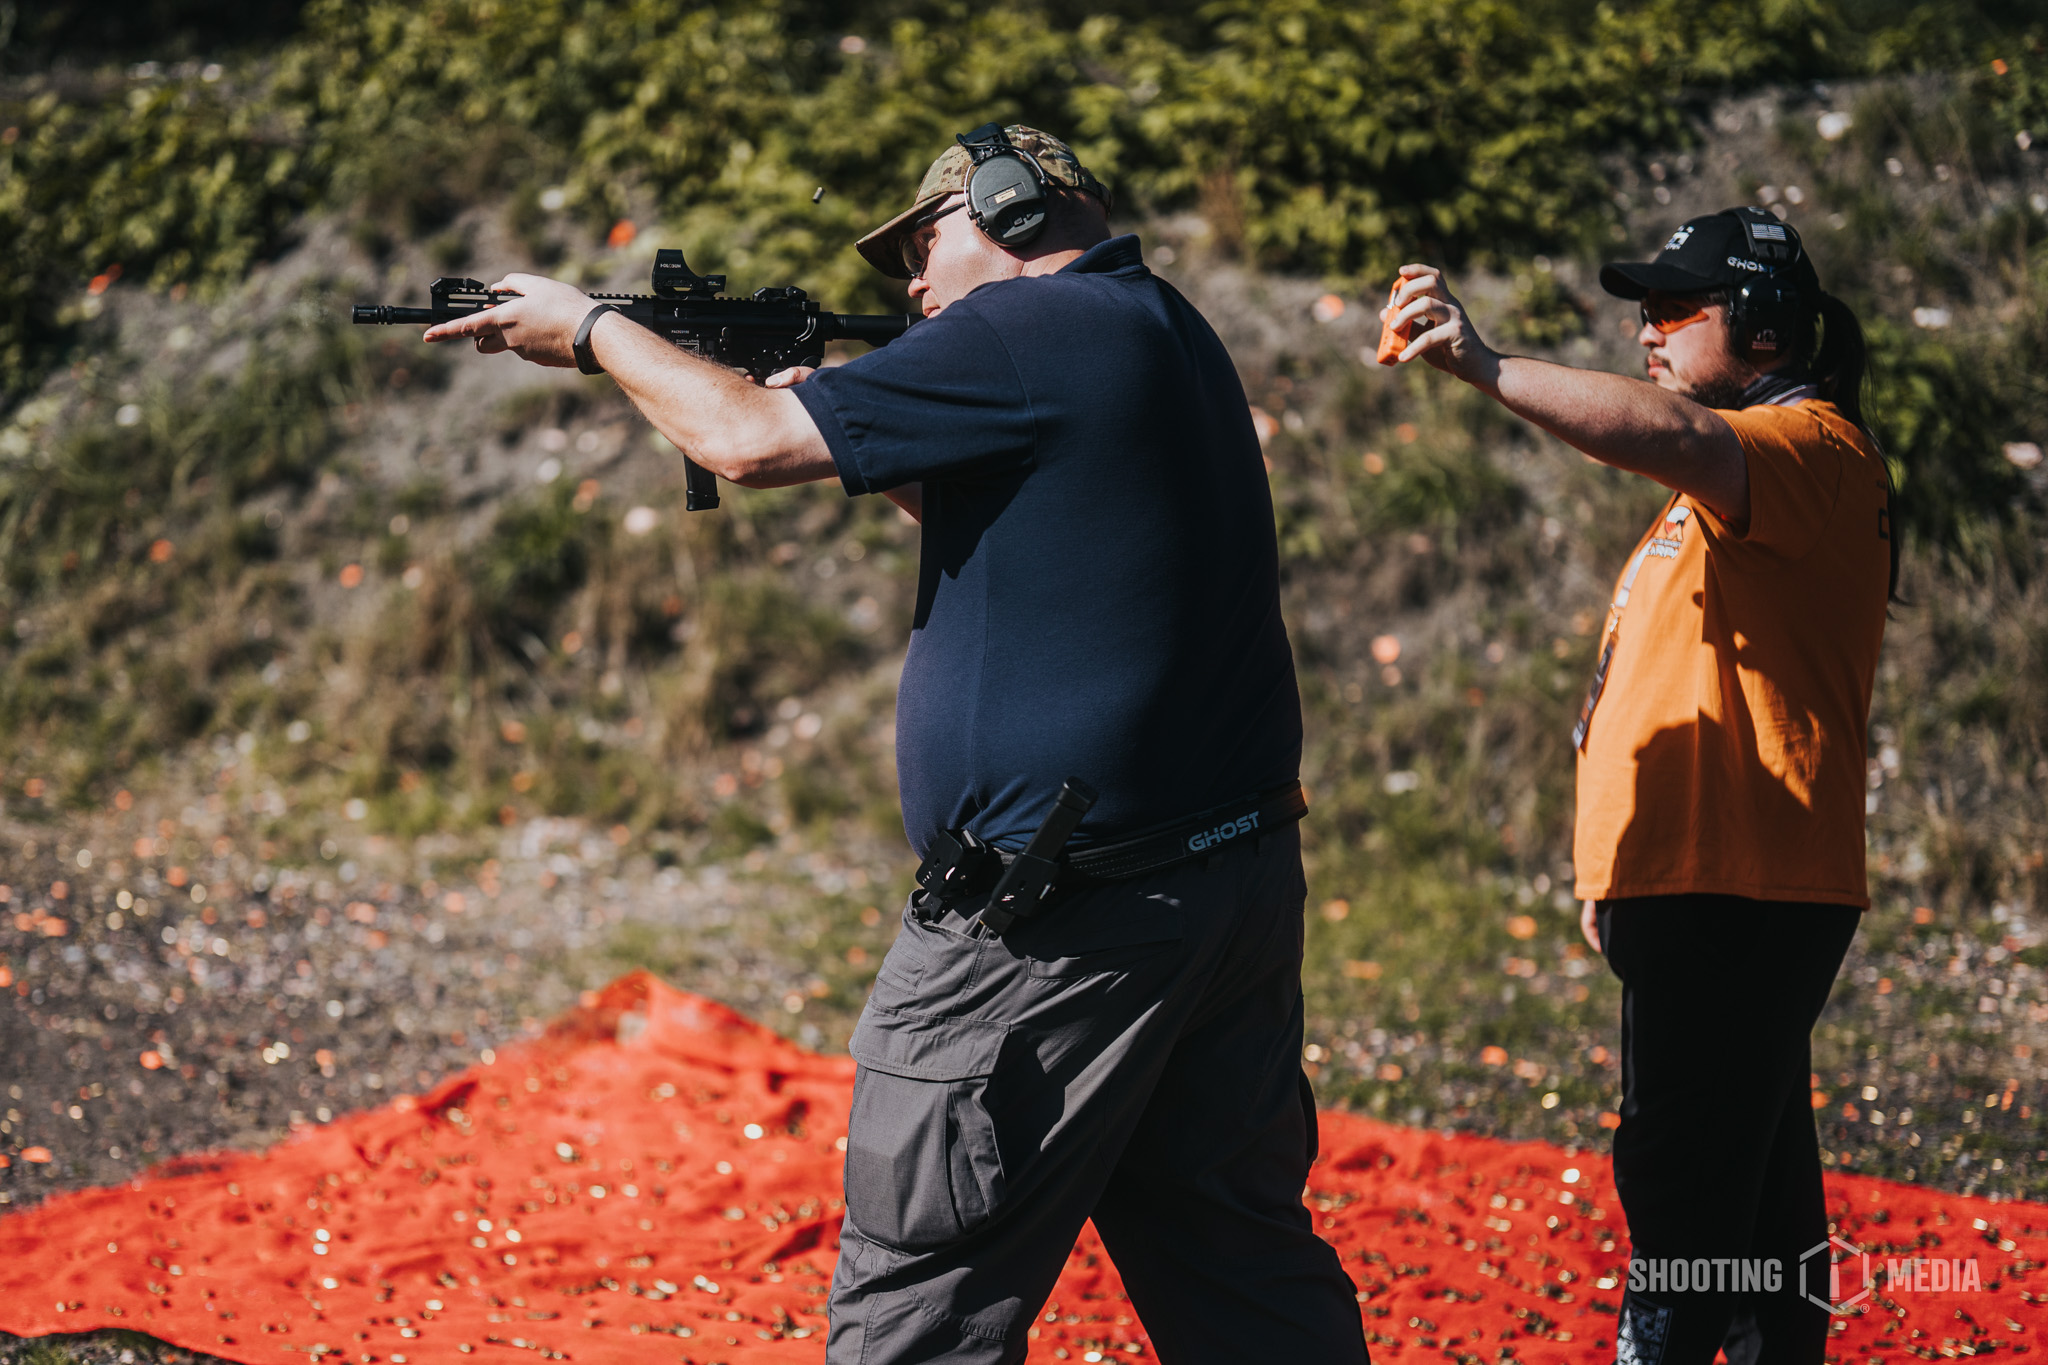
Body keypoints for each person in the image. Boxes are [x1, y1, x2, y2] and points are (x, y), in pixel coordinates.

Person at [423, 125, 1369, 1364]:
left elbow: (745, 447)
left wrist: (599, 335)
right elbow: (995, 483)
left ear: (1010, 210)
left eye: (925, 248)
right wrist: (811, 385)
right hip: (1215, 887)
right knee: (1238, 1274)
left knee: (918, 1302)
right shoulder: (1157, 324)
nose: (913, 288)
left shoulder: (1027, 330)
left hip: (1057, 925)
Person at [1383, 208, 1891, 1365]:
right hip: (1697, 884)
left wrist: (1489, 364)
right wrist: (1609, 862)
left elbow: (1667, 430)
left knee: (1682, 1195)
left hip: (1737, 883)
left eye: (1673, 308)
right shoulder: (1731, 490)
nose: (1643, 330)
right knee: (1751, 1200)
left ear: (1761, 328)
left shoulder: (1808, 446)